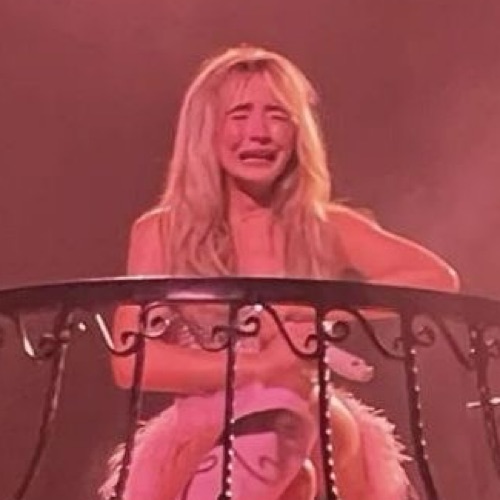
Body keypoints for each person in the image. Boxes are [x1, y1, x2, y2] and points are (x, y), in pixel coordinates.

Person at [100, 45, 459, 500]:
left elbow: (434, 278)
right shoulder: (161, 232)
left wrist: (319, 312)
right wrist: (258, 365)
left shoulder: (325, 225)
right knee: (282, 459)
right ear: (205, 129)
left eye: (277, 116)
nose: (259, 132)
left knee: (290, 414)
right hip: (206, 425)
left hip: (309, 413)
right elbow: (131, 361)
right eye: (239, 115)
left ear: (298, 132)